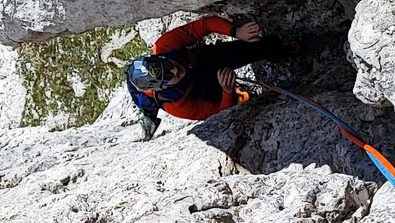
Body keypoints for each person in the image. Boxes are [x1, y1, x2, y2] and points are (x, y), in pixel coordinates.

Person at [125, 15, 295, 138]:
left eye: (167, 66)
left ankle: (281, 48)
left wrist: (236, 32)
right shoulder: (176, 106)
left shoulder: (164, 46)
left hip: (201, 61)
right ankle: (242, 95)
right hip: (201, 91)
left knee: (254, 48)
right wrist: (227, 91)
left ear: (160, 58)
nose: (175, 71)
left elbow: (205, 25)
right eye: (168, 77)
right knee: (232, 102)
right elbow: (218, 113)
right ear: (162, 87)